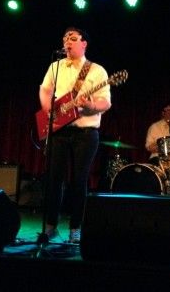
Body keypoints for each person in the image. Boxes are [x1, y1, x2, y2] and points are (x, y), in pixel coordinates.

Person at [39, 27, 111, 244]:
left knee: (79, 181)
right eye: (64, 39)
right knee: (53, 179)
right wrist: (47, 111)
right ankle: (50, 227)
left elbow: (105, 102)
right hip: (59, 131)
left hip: (85, 132)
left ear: (84, 43)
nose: (67, 42)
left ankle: (75, 229)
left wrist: (89, 106)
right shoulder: (56, 66)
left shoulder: (97, 70)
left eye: (72, 38)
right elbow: (45, 90)